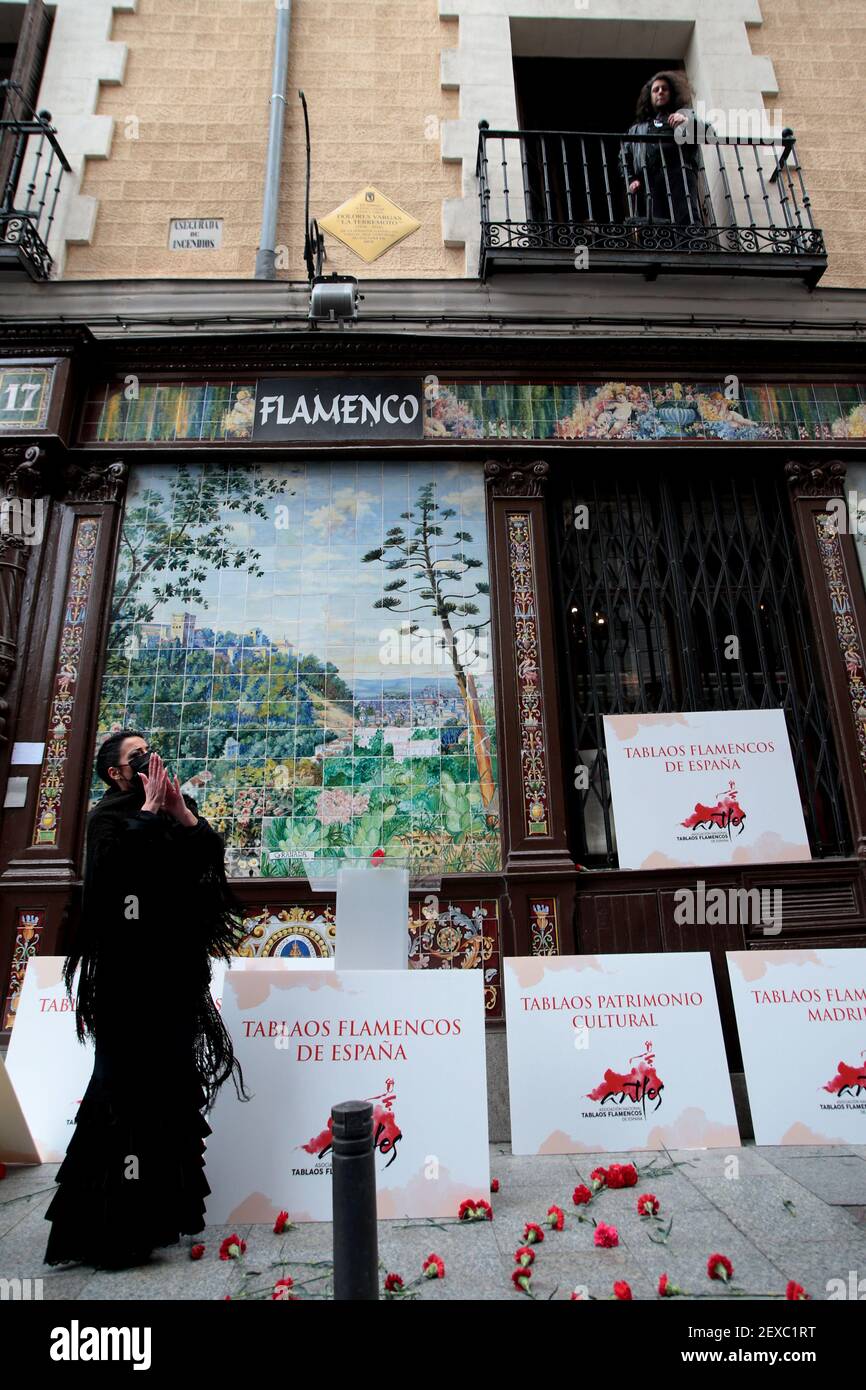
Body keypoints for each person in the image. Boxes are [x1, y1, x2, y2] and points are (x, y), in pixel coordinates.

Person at [44, 731, 248, 1270]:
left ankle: (158, 1217)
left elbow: (205, 867)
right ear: (115, 773)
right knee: (124, 1095)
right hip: (124, 985)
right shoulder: (107, 819)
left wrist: (182, 816)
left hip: (172, 980)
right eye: (138, 757)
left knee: (168, 1095)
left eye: (152, 751)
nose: (151, 760)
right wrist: (152, 811)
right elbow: (114, 882)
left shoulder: (176, 811)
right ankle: (114, 1231)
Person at [622, 71, 708, 228]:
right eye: (655, 90)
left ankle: (691, 248)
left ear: (672, 93)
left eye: (664, 88)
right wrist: (631, 179)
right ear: (650, 97)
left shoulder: (684, 117)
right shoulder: (637, 129)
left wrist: (687, 121)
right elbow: (624, 156)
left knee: (686, 217)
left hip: (679, 174)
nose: (660, 92)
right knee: (656, 222)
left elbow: (709, 133)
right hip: (649, 179)